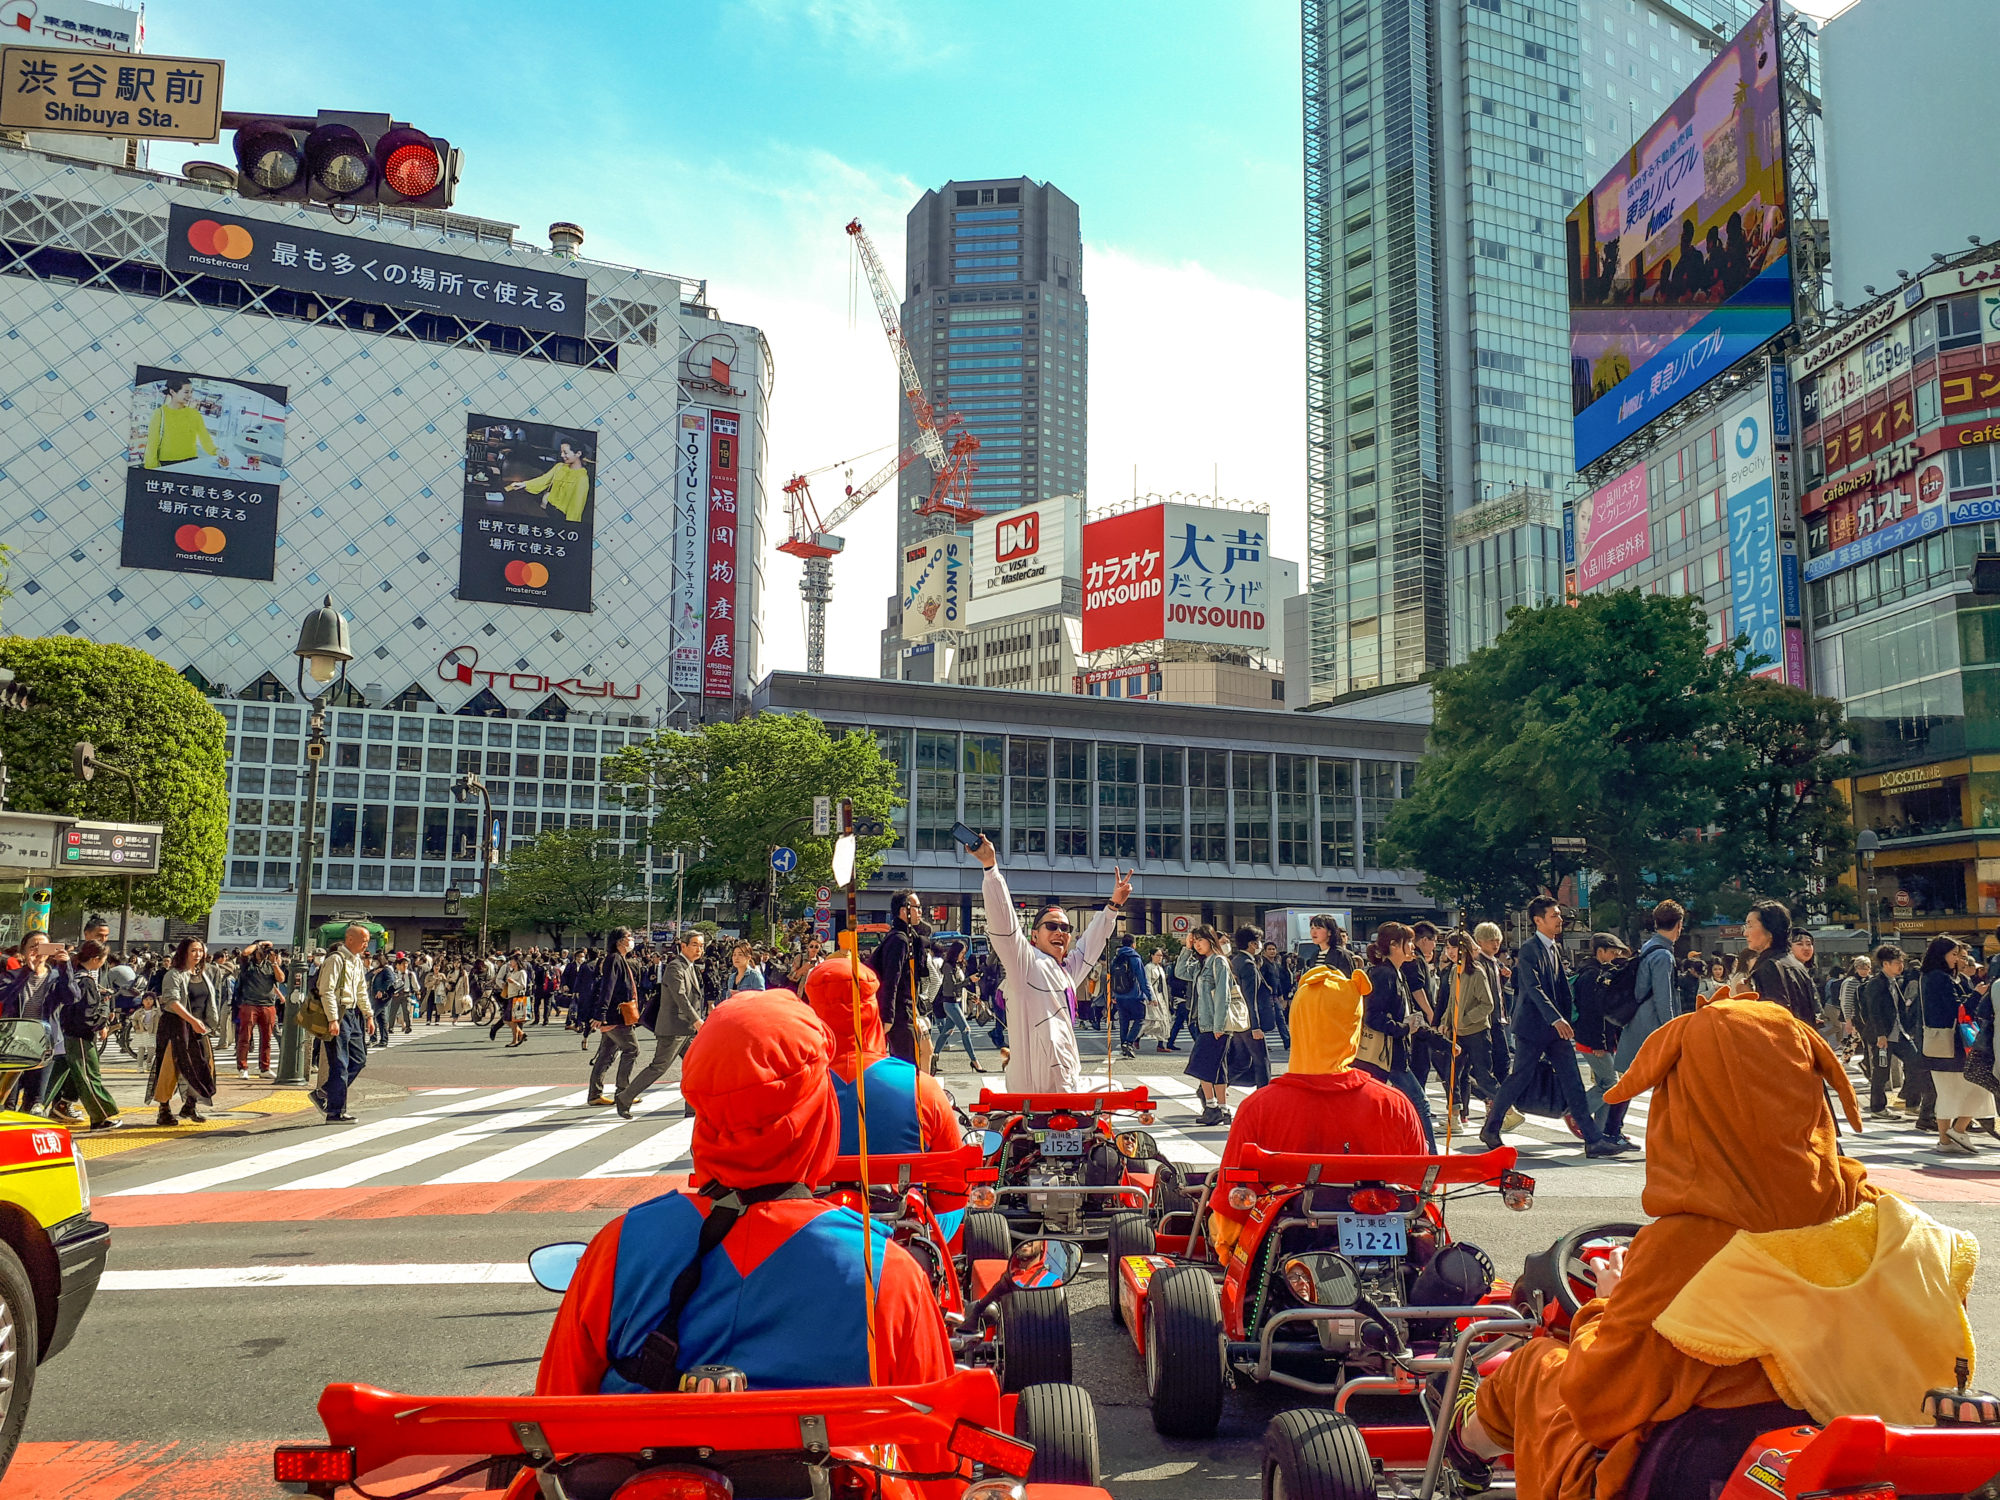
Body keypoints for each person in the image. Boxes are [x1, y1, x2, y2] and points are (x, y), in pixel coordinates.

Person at [1444, 996, 1978, 1500]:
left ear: (1685, 1099)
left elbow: (1598, 1404)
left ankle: (1465, 1450)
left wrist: (1605, 1304)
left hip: (1693, 1468)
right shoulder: (1891, 1220)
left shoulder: (1688, 1246)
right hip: (1867, 1453)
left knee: (1534, 1365)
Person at [534, 992, 954, 1395]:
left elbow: (553, 1423)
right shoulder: (884, 1272)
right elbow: (935, 1446)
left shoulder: (618, 1247)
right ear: (817, 1114)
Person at [1206, 963, 1427, 1258]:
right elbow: (1419, 1192)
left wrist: (1226, 1250)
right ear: (1355, 1026)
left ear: (1298, 1022)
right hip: (1390, 1260)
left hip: (1284, 1259)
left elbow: (1232, 1211)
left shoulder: (1259, 1107)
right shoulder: (1394, 1103)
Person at [969, 835, 1128, 1095]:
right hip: (1033, 1087)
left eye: (1065, 928)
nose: (1060, 932)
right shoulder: (1026, 963)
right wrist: (990, 868)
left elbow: (1090, 945)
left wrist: (1113, 907)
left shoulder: (1066, 971)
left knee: (1116, 1092)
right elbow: (1005, 928)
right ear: (1034, 936)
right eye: (1051, 926)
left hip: (1068, 1084)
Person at [1480, 897, 1633, 1160]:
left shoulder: (1553, 948)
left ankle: (1593, 1140)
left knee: (1574, 1082)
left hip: (1555, 1030)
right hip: (1533, 1028)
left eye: (1559, 914)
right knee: (1519, 1078)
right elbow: (1533, 988)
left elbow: (1563, 987)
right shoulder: (1530, 949)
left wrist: (1568, 1019)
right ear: (1538, 920)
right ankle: (1491, 1128)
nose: (1560, 919)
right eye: (1554, 915)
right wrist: (1556, 1019)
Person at [802, 952, 963, 1156]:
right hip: (899, 1187)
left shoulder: (790, 1090)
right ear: (873, 1010)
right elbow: (953, 1179)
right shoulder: (921, 1088)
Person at [1361, 923, 1436, 1152]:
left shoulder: (1396, 973)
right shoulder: (1384, 974)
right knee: (1420, 1104)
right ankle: (1429, 1158)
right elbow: (1373, 1016)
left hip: (1390, 1054)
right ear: (1394, 945)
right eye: (1409, 942)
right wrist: (1403, 1028)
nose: (1413, 947)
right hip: (1386, 1055)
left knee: (1382, 1109)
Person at [619, 930, 706, 1117]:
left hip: (687, 1030)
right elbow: (680, 996)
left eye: (701, 945)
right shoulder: (676, 966)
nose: (699, 949)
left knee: (695, 1068)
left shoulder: (691, 966)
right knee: (659, 1067)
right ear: (683, 946)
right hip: (675, 1028)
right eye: (695, 945)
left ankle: (692, 1108)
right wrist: (696, 1020)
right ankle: (625, 1097)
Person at [43, 940, 121, 1130]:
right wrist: (102, 1021)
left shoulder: (76, 977)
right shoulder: (85, 981)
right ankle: (100, 1116)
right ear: (96, 959)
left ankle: (40, 1108)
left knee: (59, 1076)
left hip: (69, 1035)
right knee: (89, 1076)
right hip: (79, 1036)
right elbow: (85, 1015)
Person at [1922, 936, 1987, 1155]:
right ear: (1942, 955)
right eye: (1953, 954)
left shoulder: (1930, 977)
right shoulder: (1941, 978)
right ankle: (1957, 1130)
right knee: (1978, 1086)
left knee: (1946, 1092)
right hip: (1951, 1043)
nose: (1957, 959)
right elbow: (1956, 1010)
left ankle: (1945, 1140)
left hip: (1938, 1043)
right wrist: (1976, 996)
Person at [312, 923, 376, 1123]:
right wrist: (332, 1018)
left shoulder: (356, 961)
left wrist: (369, 1014)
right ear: (350, 939)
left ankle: (324, 1093)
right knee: (340, 1062)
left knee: (359, 1059)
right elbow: (326, 990)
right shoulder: (335, 960)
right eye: (363, 940)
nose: (366, 945)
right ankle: (336, 1111)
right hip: (338, 1013)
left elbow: (361, 990)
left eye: (367, 941)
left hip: (352, 1013)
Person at [155, 937, 223, 1126]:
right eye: (193, 950)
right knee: (170, 1067)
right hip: (176, 1025)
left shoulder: (204, 974)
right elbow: (171, 1001)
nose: (198, 954)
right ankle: (164, 1109)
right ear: (184, 952)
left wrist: (205, 1024)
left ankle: (190, 1105)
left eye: (200, 951)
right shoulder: (174, 974)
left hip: (200, 1028)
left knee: (203, 1065)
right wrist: (192, 1020)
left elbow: (210, 1001)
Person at [1573, 932, 1633, 1146]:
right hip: (1593, 1041)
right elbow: (1593, 1013)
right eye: (1612, 951)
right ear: (1600, 951)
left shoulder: (1594, 972)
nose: (1616, 954)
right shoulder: (1592, 976)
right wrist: (1599, 1044)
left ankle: (1599, 1132)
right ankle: (1578, 1113)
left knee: (1606, 1083)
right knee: (1610, 1084)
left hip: (1596, 1040)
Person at [1447, 925, 1506, 1123]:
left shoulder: (1478, 970)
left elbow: (1488, 1004)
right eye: (1448, 948)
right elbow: (1451, 1001)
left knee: (1483, 1074)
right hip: (1459, 1030)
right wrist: (1447, 1022)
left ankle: (1504, 1106)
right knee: (1454, 1073)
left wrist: (1465, 1018)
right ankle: (1455, 1115)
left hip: (1479, 1029)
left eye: (1454, 948)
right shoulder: (1455, 970)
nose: (1450, 952)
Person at [1177, 926, 1235, 1126]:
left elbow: (1222, 995)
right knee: (1218, 1068)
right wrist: (1186, 948)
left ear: (1211, 940)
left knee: (1201, 1066)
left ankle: (1211, 1107)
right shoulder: (1202, 964)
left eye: (1201, 940)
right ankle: (1223, 1109)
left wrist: (1219, 1025)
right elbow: (1180, 972)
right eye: (1195, 941)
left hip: (1213, 1024)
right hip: (1204, 1023)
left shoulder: (1218, 962)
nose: (1198, 944)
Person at [1619, 901, 1683, 1071]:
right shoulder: (1663, 955)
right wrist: (1671, 1032)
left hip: (1637, 1022)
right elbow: (1663, 999)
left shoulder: (1649, 947)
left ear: (1656, 923)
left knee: (1630, 1086)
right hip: (1652, 1028)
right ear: (1679, 925)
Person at [869, 893, 930, 1065]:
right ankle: (912, 1092)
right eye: (917, 907)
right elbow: (891, 979)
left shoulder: (908, 938)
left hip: (908, 1011)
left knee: (924, 1052)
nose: (920, 912)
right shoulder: (898, 940)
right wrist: (888, 1017)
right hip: (900, 1015)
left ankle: (919, 1090)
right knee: (907, 1063)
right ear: (904, 911)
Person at [587, 929, 644, 1113]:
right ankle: (623, 1091)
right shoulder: (614, 959)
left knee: (606, 1054)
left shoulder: (620, 959)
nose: (632, 939)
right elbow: (608, 986)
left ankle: (595, 1094)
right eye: (629, 937)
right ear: (620, 941)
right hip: (615, 1015)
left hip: (614, 1014)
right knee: (632, 1049)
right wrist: (601, 1013)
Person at [1744, 900, 1816, 1024]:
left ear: (1770, 930)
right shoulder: (1795, 963)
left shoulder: (1771, 966)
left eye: (1750, 926)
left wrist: (1745, 995)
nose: (1745, 933)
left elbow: (1776, 1020)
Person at [926, 940, 983, 1073]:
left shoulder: (956, 966)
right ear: (956, 952)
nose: (963, 956)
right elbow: (952, 987)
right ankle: (975, 1061)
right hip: (950, 1002)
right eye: (962, 953)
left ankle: (933, 1058)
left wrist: (970, 995)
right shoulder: (948, 966)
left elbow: (959, 987)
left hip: (955, 1001)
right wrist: (969, 980)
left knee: (947, 1032)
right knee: (966, 1030)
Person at [143, 375, 223, 469]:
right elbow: (152, 444)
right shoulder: (160, 413)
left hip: (191, 461)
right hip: (167, 463)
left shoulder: (194, 414)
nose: (190, 395)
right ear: (172, 392)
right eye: (186, 392)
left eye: (191, 392)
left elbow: (205, 438)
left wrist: (217, 452)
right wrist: (151, 468)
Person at [506, 436, 591, 523]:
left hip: (561, 517)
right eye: (561, 452)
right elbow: (544, 480)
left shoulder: (582, 478)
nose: (562, 455)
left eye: (565, 453)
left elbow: (576, 507)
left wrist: (570, 526)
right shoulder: (559, 467)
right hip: (547, 509)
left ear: (578, 454)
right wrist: (523, 484)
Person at [1230, 927, 1273, 1089]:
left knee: (1242, 1060)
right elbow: (1250, 997)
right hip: (1248, 1021)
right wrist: (1255, 1026)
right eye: (1259, 941)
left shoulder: (1235, 961)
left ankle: (1213, 1087)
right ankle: (1265, 1095)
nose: (1260, 945)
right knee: (1262, 1061)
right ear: (1252, 944)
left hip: (1238, 1020)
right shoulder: (1248, 964)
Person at [1108, 931, 1151, 1060]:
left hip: (1120, 995)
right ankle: (1129, 1042)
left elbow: (1112, 978)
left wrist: (1113, 995)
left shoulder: (1116, 958)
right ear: (1133, 944)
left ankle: (1123, 1044)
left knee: (1123, 1022)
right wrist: (1149, 995)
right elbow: (1142, 978)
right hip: (1135, 995)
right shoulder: (1135, 958)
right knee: (1140, 1019)